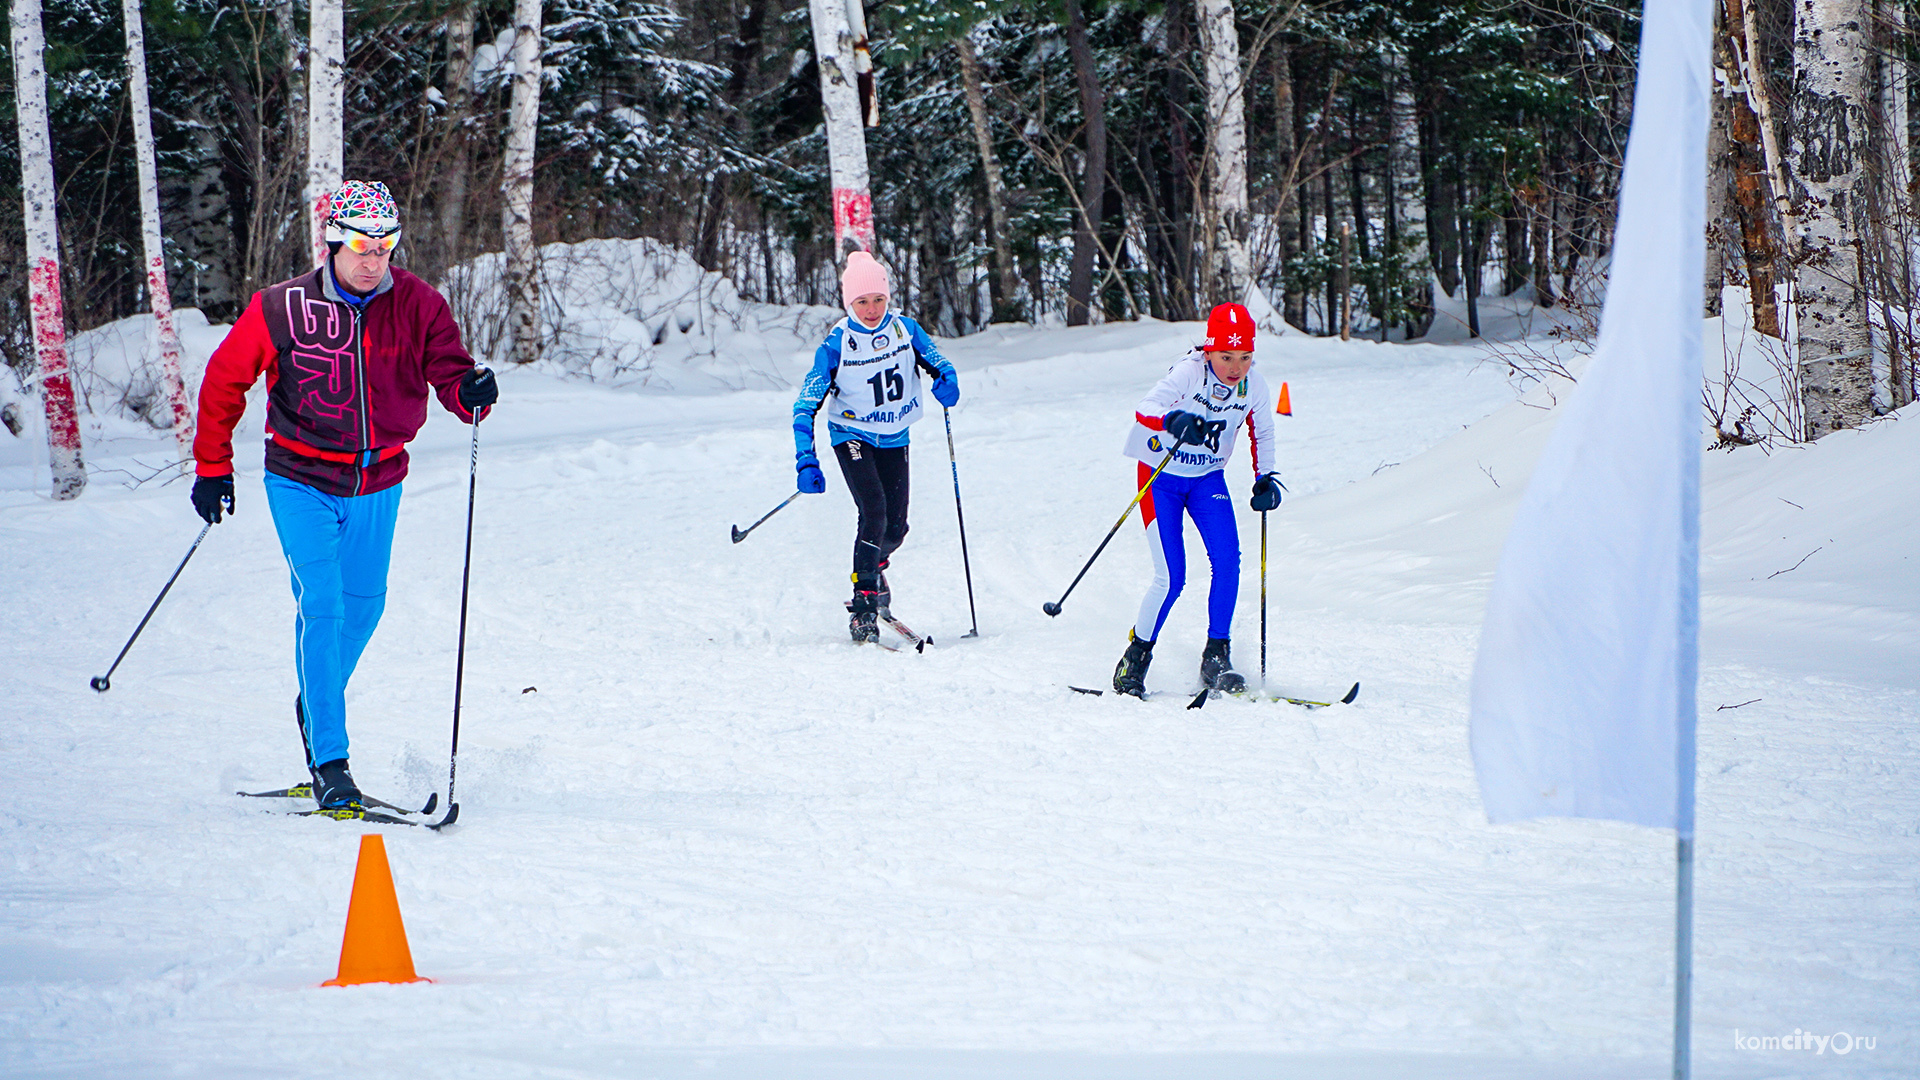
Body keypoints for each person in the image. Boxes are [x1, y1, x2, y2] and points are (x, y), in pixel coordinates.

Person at [189, 179, 498, 810]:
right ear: (333, 240)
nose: (373, 258)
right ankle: (331, 762)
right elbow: (225, 379)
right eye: (361, 243)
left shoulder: (419, 303)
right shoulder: (280, 307)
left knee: (365, 606)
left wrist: (470, 393)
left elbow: (449, 371)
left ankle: (316, 696)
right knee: (323, 605)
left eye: (385, 245)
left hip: (379, 479)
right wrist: (212, 466)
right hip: (300, 477)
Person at [1112, 302, 1281, 697]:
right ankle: (1134, 660)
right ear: (1209, 350)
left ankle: (1216, 656)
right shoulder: (1189, 372)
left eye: (1245, 356)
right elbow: (1144, 408)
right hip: (1161, 477)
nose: (1236, 366)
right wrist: (1171, 420)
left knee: (1228, 560)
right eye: (1226, 356)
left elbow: (1264, 432)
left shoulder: (1253, 383)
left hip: (1207, 478)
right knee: (1171, 578)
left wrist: (1266, 478)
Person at [792, 251, 960, 643]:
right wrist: (806, 459)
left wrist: (947, 380)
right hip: (851, 435)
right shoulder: (837, 344)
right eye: (861, 302)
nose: (871, 309)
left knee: (896, 526)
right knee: (874, 511)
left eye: (878, 300)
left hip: (895, 434)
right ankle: (863, 604)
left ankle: (873, 565)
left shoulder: (906, 331)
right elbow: (805, 406)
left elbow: (939, 362)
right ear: (849, 303)